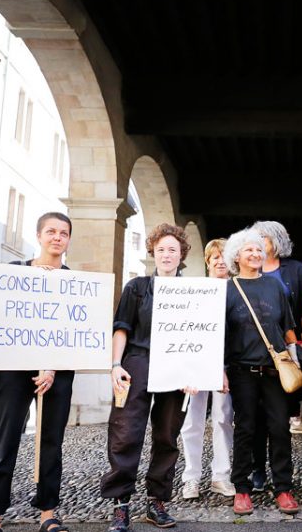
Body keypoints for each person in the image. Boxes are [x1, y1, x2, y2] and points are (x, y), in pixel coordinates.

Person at [0, 212, 75, 532]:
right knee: (4, 440)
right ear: (39, 236)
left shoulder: (76, 284)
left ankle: (48, 512)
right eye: (51, 231)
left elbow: (76, 333)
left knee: (51, 441)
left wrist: (51, 367)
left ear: (69, 240)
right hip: (13, 371)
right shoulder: (13, 273)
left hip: (57, 373)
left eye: (63, 233)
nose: (57, 237)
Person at [101, 223, 195, 532]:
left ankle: (157, 502)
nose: (167, 255)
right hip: (138, 362)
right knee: (125, 431)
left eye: (173, 249)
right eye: (161, 249)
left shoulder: (192, 291)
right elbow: (122, 327)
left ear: (181, 254)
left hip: (177, 367)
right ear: (152, 252)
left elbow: (200, 336)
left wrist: (195, 372)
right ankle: (121, 504)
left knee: (167, 435)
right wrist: (116, 364)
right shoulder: (137, 287)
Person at [222, 229, 300, 516]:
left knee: (280, 428)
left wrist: (296, 360)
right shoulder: (227, 289)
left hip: (274, 370)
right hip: (242, 370)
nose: (255, 254)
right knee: (245, 429)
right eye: (248, 251)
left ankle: (283, 488)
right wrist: (221, 370)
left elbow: (288, 328)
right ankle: (242, 489)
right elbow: (219, 335)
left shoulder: (275, 286)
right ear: (236, 257)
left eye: (258, 250)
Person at [250, 220, 302, 489]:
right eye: (256, 237)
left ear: (276, 240)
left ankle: (282, 475)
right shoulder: (249, 266)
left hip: (284, 351)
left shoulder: (294, 269)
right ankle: (257, 470)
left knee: (279, 417)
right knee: (254, 417)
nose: (259, 242)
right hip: (251, 352)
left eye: (264, 237)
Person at [180, 239, 236, 499]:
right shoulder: (195, 289)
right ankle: (191, 477)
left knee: (223, 419)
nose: (220, 261)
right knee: (192, 421)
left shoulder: (236, 290)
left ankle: (221, 476)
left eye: (224, 256)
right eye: (215, 257)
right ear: (208, 261)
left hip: (227, 362)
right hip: (197, 361)